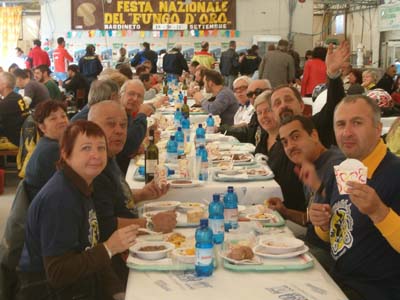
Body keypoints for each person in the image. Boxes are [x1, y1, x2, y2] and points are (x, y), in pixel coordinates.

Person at [18, 120, 136, 299]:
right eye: (86, 148)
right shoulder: (59, 199)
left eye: (101, 148)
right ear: (66, 154)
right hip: (48, 291)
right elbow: (57, 273)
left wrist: (116, 291)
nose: (96, 155)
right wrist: (109, 247)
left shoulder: (82, 185)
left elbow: (91, 248)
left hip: (79, 283)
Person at [309, 95, 400, 299]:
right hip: (335, 279)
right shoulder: (338, 171)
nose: (347, 132)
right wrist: (322, 224)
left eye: (357, 123)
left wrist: (380, 213)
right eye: (340, 124)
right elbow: (327, 237)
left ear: (378, 129)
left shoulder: (395, 173)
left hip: (377, 291)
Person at [88, 101, 176, 282]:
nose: (119, 130)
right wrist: (150, 223)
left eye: (123, 125)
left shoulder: (110, 157)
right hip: (113, 261)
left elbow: (115, 199)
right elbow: (105, 225)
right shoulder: (95, 168)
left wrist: (143, 194)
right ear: (91, 128)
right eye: (111, 124)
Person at [271, 115, 344, 270]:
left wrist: (319, 187)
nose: (290, 146)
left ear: (314, 135)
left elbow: (347, 228)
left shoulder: (339, 166)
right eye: (285, 142)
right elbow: (311, 220)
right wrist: (285, 212)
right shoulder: (309, 165)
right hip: (310, 241)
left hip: (330, 256)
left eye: (295, 137)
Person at [24, 100, 69, 201]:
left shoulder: (47, 143)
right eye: (53, 118)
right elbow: (65, 186)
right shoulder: (51, 150)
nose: (62, 121)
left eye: (63, 116)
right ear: (42, 127)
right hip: (49, 208)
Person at [220, 79, 271, 145]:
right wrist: (221, 129)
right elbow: (248, 133)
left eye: (258, 92)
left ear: (270, 91)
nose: (254, 96)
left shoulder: (275, 115)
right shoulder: (253, 114)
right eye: (250, 94)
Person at [117, 79, 153, 173]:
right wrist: (142, 115)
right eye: (131, 94)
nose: (135, 99)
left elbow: (129, 144)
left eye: (139, 96)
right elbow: (129, 145)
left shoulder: (127, 113)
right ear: (121, 94)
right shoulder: (116, 113)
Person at [0, 72, 29, 148]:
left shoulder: (6, 103)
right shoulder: (17, 97)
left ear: (4, 85)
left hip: (14, 140)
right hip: (22, 136)